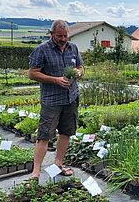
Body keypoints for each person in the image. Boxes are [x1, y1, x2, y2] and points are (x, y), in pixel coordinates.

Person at [27, 19, 83, 182]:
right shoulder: (42, 50)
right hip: (51, 100)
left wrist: (78, 73)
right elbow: (32, 73)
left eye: (65, 36)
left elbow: (80, 67)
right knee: (44, 135)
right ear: (51, 34)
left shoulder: (73, 48)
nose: (63, 39)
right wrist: (55, 80)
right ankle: (36, 171)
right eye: (59, 36)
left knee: (66, 132)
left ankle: (58, 164)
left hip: (71, 97)